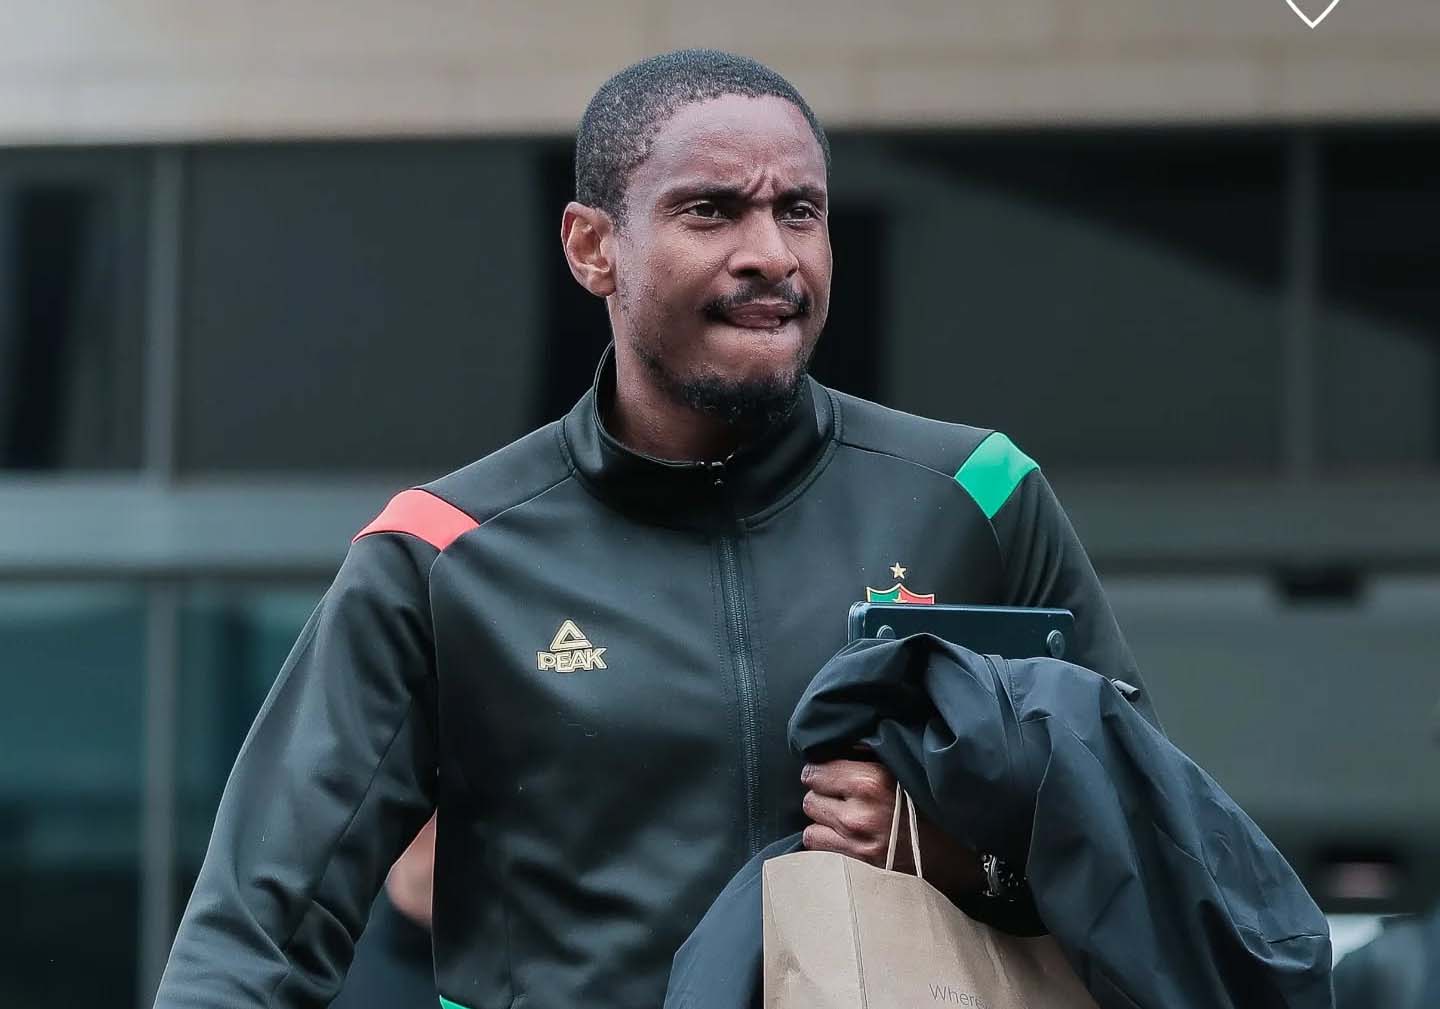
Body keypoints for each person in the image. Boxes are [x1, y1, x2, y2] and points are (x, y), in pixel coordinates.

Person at [152, 49, 1155, 1009]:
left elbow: (1148, 848)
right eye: (711, 210)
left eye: (799, 210)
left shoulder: (979, 495)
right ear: (593, 247)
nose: (770, 254)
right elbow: (257, 928)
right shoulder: (442, 551)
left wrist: (960, 858)